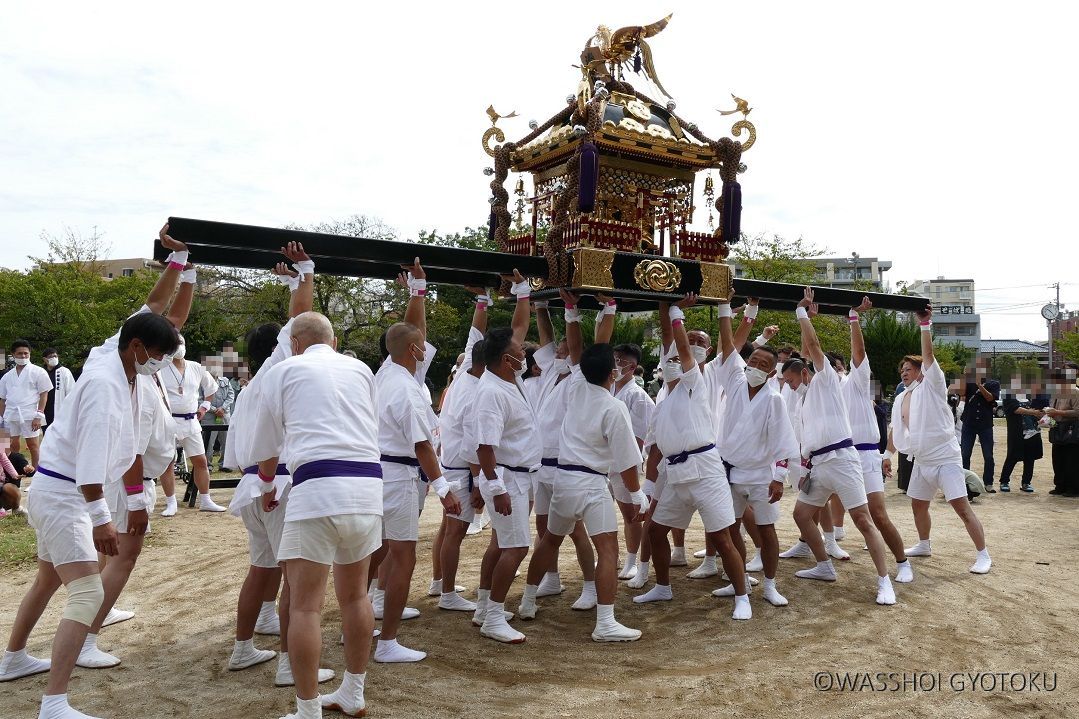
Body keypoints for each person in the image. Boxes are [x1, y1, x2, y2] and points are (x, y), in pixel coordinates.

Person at [0, 263, 180, 718]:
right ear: (137, 346)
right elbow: (91, 467)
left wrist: (180, 268)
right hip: (66, 495)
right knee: (86, 593)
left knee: (46, 579)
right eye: (159, 353)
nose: (163, 362)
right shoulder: (104, 380)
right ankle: (54, 704)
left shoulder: (130, 372)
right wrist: (103, 518)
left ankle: (15, 657)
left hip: (60, 493)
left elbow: (158, 308)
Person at [249, 311, 383, 719]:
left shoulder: (284, 370)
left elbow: (266, 447)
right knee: (356, 595)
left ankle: (308, 711)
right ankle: (353, 692)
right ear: (335, 341)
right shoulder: (361, 369)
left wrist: (268, 485)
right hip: (367, 488)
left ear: (294, 344)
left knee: (305, 606)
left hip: (317, 488)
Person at [224, 244, 336, 688]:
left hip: (254, 487)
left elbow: (295, 323)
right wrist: (306, 272)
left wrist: (297, 281)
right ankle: (291, 665)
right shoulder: (281, 368)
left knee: (264, 569)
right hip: (277, 484)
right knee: (296, 578)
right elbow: (301, 324)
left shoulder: (251, 386)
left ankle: (242, 648)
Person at [519, 340, 647, 641]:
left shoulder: (574, 390)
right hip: (590, 482)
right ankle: (605, 622)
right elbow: (628, 461)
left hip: (564, 478)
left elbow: (579, 357)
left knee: (549, 541)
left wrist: (573, 314)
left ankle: (527, 601)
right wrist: (637, 495)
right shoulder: (614, 407)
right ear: (612, 374)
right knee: (608, 549)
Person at [634, 296, 751, 619]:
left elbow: (683, 350)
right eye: (670, 360)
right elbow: (673, 346)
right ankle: (662, 586)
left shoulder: (697, 381)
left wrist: (676, 313)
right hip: (674, 471)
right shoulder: (665, 397)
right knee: (656, 532)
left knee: (722, 537)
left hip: (705, 467)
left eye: (701, 343)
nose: (677, 359)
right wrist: (664, 303)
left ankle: (742, 596)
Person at [783, 288, 898, 605]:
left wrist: (802, 313)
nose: (790, 387)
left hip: (843, 459)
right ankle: (823, 566)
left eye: (791, 381)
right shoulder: (804, 400)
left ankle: (884, 581)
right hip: (818, 466)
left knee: (863, 520)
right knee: (802, 515)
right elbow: (809, 350)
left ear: (804, 373)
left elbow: (813, 346)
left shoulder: (826, 380)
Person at [372, 263, 462, 663]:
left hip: (376, 472)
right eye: (421, 345)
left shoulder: (386, 373)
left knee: (374, 552)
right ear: (414, 351)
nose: (426, 347)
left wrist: (418, 291)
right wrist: (444, 489)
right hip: (398, 475)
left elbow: (407, 333)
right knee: (403, 555)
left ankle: (365, 614)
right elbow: (423, 445)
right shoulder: (407, 390)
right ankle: (387, 641)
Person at [885, 304, 991, 574]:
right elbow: (897, 429)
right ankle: (923, 543)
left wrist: (924, 325)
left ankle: (983, 555)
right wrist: (887, 455)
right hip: (921, 459)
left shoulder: (932, 385)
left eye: (908, 368)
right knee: (918, 505)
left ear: (921, 370)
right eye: (901, 371)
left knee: (961, 507)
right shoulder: (901, 398)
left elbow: (928, 355)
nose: (904, 373)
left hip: (945, 457)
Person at [712, 298, 800, 607]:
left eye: (765, 365)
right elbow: (727, 343)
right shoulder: (734, 379)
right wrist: (728, 308)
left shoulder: (774, 400)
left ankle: (771, 585)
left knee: (766, 529)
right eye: (754, 362)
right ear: (746, 362)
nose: (757, 367)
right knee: (729, 526)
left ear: (773, 371)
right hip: (730, 471)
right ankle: (739, 581)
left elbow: (782, 442)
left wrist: (779, 478)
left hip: (762, 474)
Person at [471, 271, 536, 644]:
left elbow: (519, 327)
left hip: (517, 475)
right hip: (506, 477)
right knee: (516, 546)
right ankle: (494, 615)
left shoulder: (511, 378)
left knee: (501, 542)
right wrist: (495, 487)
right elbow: (485, 447)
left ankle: (484, 607)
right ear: (504, 359)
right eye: (518, 351)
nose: (524, 352)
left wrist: (523, 291)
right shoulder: (492, 392)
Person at [835, 298, 914, 584]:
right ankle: (820, 550)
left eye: (832, 366)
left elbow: (858, 351)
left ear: (841, 368)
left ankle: (902, 562)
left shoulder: (854, 382)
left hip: (865, 454)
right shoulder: (820, 390)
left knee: (877, 516)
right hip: (835, 456)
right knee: (807, 509)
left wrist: (854, 318)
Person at [434, 289, 492, 614]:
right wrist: (480, 485)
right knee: (455, 531)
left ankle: (439, 581)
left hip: (449, 463)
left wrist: (483, 301)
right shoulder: (475, 394)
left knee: (447, 527)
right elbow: (474, 448)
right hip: (461, 469)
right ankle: (446, 593)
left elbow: (475, 333)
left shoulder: (466, 369)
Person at [158, 332, 225, 514]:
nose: (178, 346)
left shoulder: (196, 367)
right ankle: (171, 502)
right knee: (167, 462)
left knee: (201, 461)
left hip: (191, 420)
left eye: (180, 342)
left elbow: (210, 388)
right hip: (168, 420)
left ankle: (206, 499)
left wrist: (204, 406)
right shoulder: (160, 368)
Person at [608, 341, 655, 583]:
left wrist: (628, 469)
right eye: (614, 358)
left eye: (620, 360)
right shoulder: (608, 389)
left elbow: (638, 439)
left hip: (623, 464)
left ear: (631, 366)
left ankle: (631, 559)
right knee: (605, 513)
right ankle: (611, 556)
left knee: (630, 515)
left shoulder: (638, 397)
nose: (615, 364)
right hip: (603, 463)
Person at [0, 340, 53, 468]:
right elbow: (2, 399)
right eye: (20, 354)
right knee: (11, 445)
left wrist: (38, 415)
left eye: (26, 353)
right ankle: (16, 471)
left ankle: (36, 474)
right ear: (13, 354)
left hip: (30, 413)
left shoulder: (38, 371)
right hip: (10, 414)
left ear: (29, 354)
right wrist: (2, 417)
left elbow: (44, 394)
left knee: (33, 445)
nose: (23, 356)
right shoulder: (7, 376)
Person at [1000, 378, 1046, 493]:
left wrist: (1041, 415)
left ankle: (1026, 482)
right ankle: (1004, 481)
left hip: (1033, 432)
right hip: (1017, 432)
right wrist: (1033, 412)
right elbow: (1016, 409)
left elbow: (1038, 409)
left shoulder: (1029, 396)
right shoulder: (1008, 395)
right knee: (1012, 456)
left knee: (1030, 458)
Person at [960, 361, 1000, 492]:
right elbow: (960, 392)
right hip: (969, 423)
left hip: (985, 424)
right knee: (965, 454)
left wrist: (979, 385)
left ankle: (988, 482)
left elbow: (990, 398)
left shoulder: (993, 384)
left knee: (988, 455)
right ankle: (963, 482)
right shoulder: (968, 381)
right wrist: (964, 376)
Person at [1046, 372, 1079, 496]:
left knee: (1071, 460)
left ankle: (1073, 488)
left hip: (1071, 428)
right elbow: (1051, 409)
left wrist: (1058, 412)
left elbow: (1077, 412)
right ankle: (1060, 485)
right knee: (1057, 459)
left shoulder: (1075, 392)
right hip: (1057, 427)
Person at [201, 366, 236, 472]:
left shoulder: (225, 380)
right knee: (209, 441)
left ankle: (225, 464)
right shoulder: (202, 381)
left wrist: (222, 408)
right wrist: (215, 410)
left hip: (224, 414)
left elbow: (231, 396)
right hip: (209, 415)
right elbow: (200, 399)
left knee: (226, 441)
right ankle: (208, 464)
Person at [41, 349, 75, 430]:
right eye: (50, 357)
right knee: (47, 433)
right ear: (45, 359)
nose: (53, 358)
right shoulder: (42, 372)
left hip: (60, 408)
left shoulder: (64, 371)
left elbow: (72, 391)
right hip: (45, 409)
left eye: (55, 356)